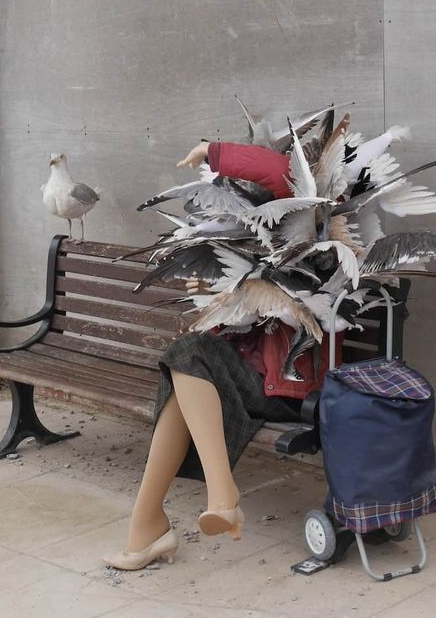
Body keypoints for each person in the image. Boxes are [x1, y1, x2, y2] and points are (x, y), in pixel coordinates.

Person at [102, 139, 340, 571]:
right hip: (239, 373)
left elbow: (277, 172)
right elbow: (237, 314)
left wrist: (214, 150)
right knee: (185, 366)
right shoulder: (252, 235)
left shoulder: (314, 232)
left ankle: (217, 497)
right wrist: (210, 295)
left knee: (187, 357)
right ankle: (148, 527)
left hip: (283, 383)